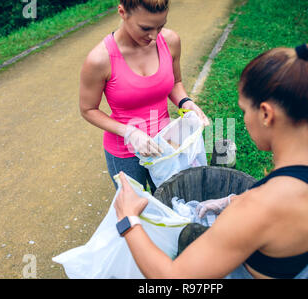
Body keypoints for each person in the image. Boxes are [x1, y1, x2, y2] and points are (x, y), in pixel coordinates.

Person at [113, 43, 308, 279]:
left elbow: (172, 277)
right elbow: (292, 216)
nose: (244, 119)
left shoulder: (258, 209)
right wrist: (232, 201)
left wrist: (129, 219)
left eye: (244, 110)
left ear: (265, 113)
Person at [79, 0, 210, 194]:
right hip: (125, 152)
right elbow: (88, 109)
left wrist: (186, 102)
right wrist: (130, 133)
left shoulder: (170, 41)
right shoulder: (99, 60)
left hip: (166, 145)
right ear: (122, 12)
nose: (154, 36)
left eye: (161, 26)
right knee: (136, 213)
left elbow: (175, 83)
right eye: (146, 28)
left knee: (173, 202)